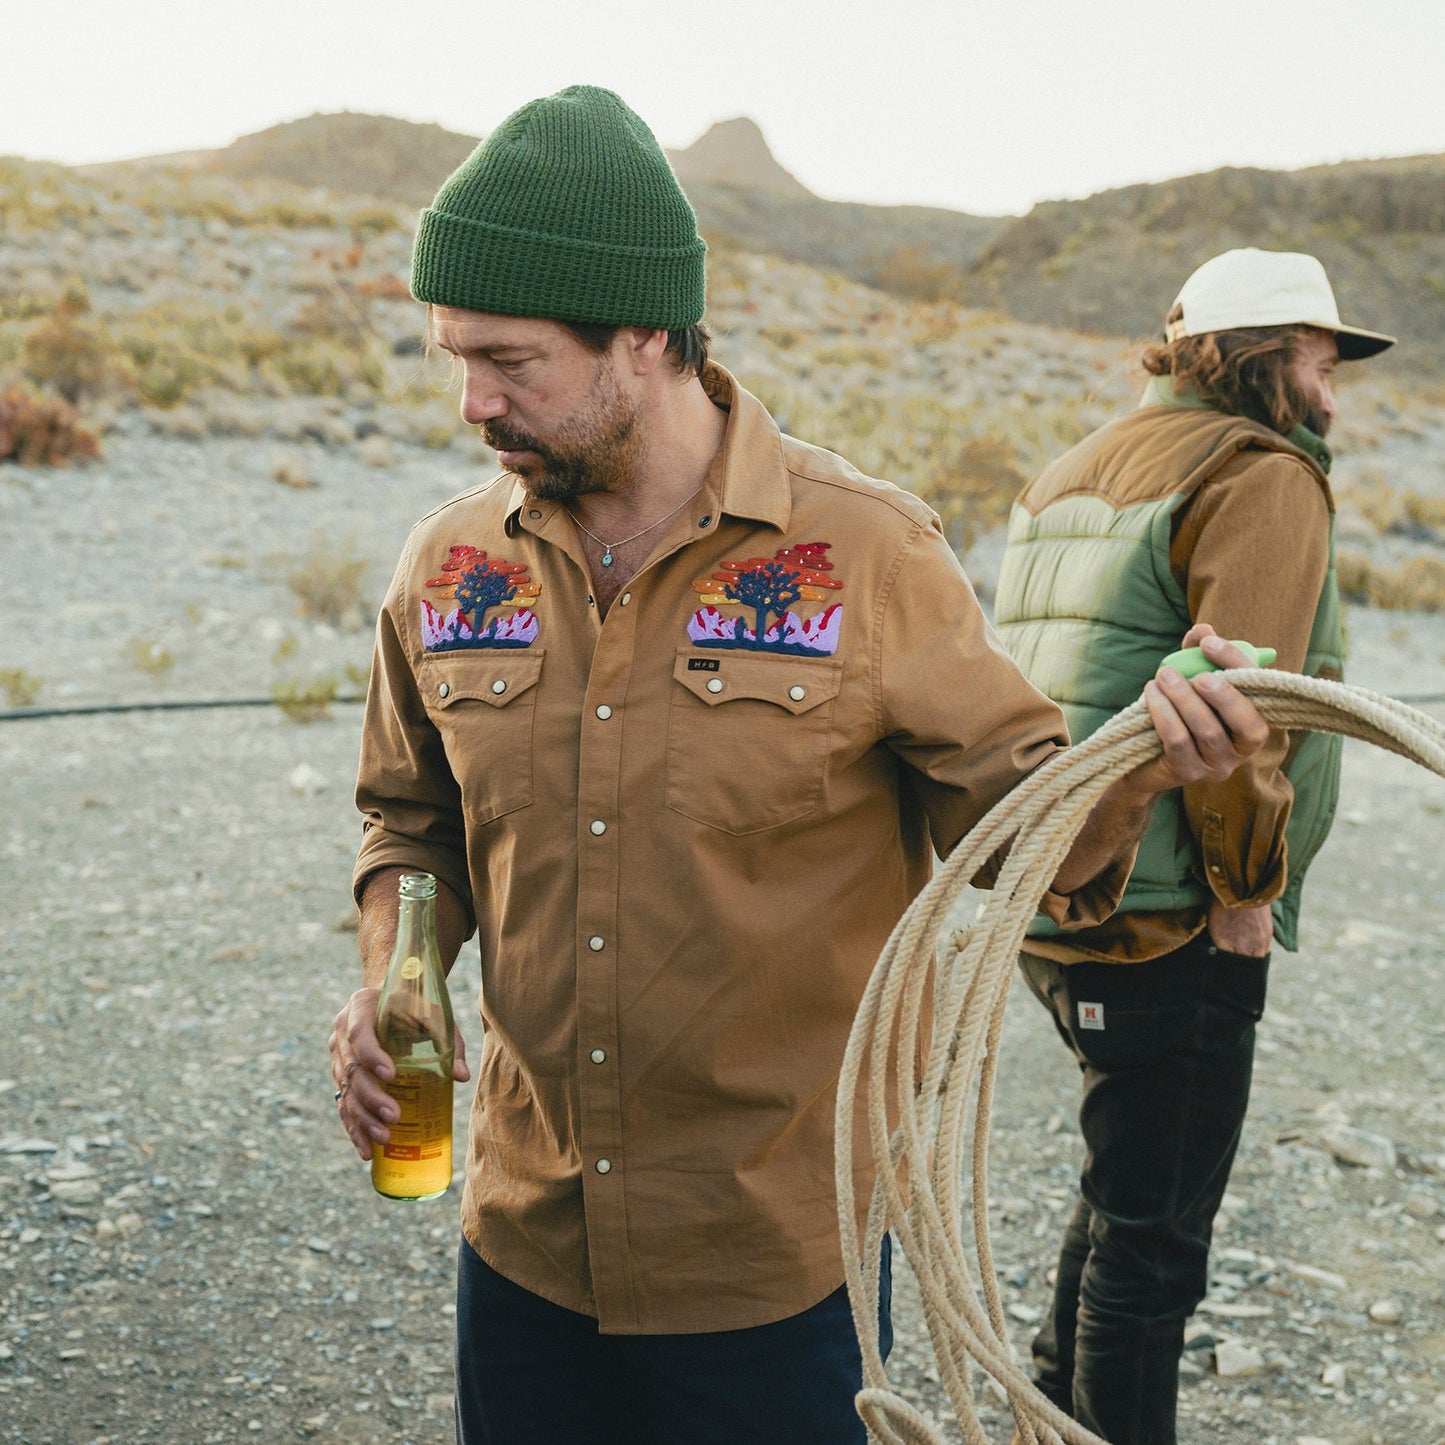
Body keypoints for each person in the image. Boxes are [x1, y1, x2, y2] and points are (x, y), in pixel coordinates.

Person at [326, 87, 1270, 1445]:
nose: (472, 401)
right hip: (524, 1250)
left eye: (509, 360)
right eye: (452, 356)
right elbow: (409, 823)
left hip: (771, 1274)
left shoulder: (866, 555)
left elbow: (1032, 849)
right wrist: (388, 974)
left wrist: (1146, 761)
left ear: (645, 334)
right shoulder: (449, 562)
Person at [993, 247, 1395, 1445]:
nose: (1331, 392)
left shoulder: (1070, 468)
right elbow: (1238, 717)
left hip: (1066, 884)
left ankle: (1045, 1416)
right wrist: (1245, 896)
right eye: (1320, 361)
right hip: (1172, 909)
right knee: (1154, 1248)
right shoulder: (1259, 472)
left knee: (1123, 1192)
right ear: (1264, 357)